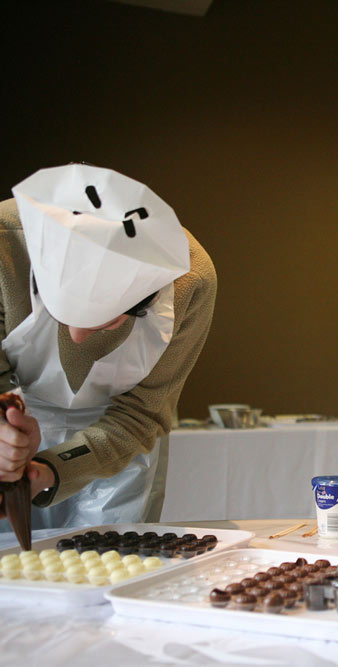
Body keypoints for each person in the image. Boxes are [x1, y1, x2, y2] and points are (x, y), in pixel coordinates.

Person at [0, 163, 217, 529]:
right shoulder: (6, 243)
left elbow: (141, 415)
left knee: (111, 563)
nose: (78, 339)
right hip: (12, 422)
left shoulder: (191, 281)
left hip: (118, 439)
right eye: (62, 317)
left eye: (104, 324)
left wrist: (51, 470)